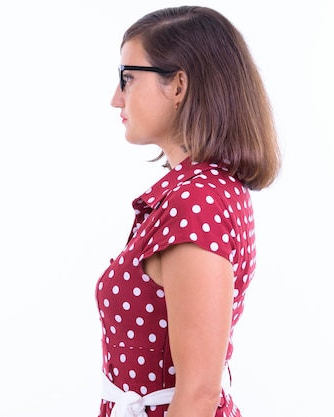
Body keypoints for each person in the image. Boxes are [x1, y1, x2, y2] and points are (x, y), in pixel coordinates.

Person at [95, 6, 280, 417]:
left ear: (178, 85)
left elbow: (197, 392)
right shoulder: (198, 192)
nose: (115, 98)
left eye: (128, 78)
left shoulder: (195, 204)